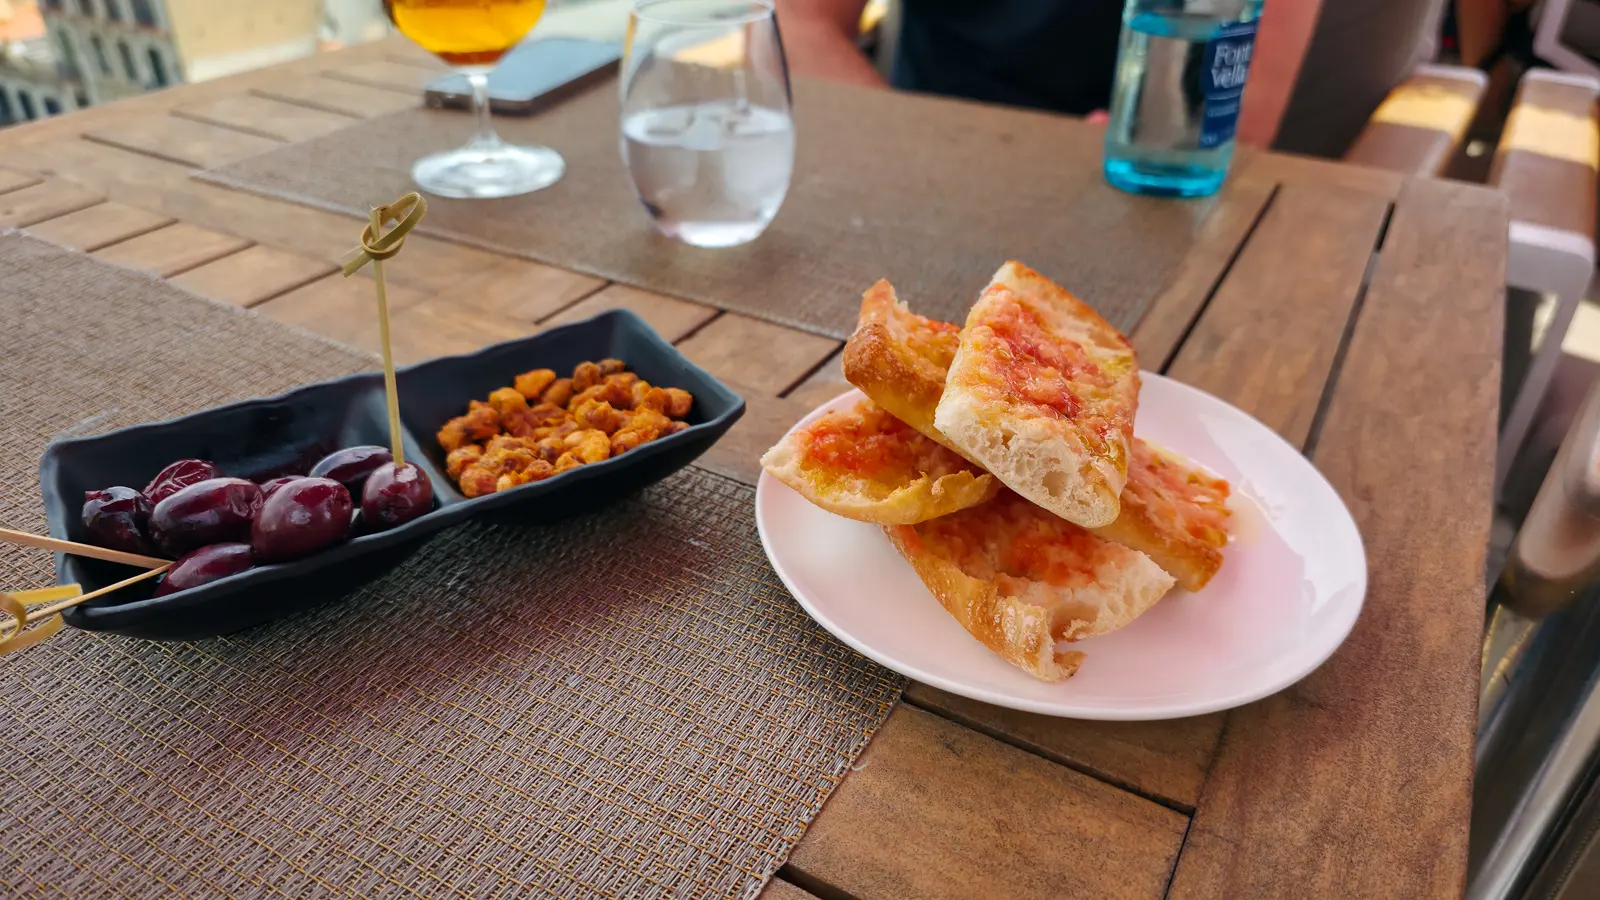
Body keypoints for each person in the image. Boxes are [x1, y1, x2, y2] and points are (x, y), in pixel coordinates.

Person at [775, 0, 1442, 153]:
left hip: (1126, 193)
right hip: (904, 154)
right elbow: (803, 22)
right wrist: (920, 161)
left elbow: (1232, 120)